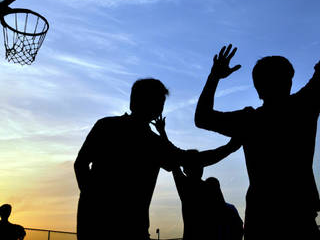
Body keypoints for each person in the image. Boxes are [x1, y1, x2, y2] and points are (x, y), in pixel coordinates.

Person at [74, 78, 241, 240]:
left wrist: (90, 201)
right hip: (130, 228)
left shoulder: (107, 126)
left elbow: (80, 164)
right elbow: (191, 159)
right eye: (160, 101)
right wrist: (230, 147)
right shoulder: (152, 143)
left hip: (98, 225)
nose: (162, 106)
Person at [194, 44, 320, 240]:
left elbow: (202, 118)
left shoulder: (249, 121)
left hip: (260, 221)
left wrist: (214, 77)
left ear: (259, 90)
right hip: (300, 218)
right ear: (289, 82)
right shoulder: (303, 107)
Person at [154, 116, 243, 240]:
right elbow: (224, 150)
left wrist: (162, 132)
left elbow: (171, 154)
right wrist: (238, 137)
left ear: (185, 169)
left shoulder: (184, 186)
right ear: (202, 167)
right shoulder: (211, 186)